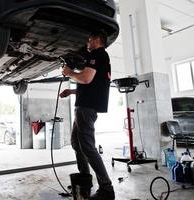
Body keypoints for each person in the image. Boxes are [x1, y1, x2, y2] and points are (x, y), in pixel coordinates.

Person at [60, 30, 114, 200]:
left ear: (98, 40)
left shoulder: (98, 54)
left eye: (90, 39)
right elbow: (92, 85)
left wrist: (69, 73)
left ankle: (106, 189)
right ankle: (84, 178)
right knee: (77, 143)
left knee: (88, 147)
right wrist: (72, 91)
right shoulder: (100, 57)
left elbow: (86, 79)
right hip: (85, 107)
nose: (87, 42)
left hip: (86, 109)